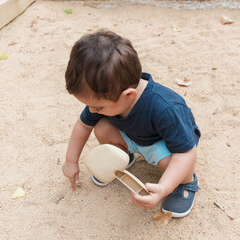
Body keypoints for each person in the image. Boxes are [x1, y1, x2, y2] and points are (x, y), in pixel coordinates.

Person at [62, 29, 201, 217]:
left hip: (164, 145)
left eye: (98, 107)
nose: (92, 110)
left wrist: (163, 189)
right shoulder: (106, 96)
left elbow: (186, 153)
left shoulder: (165, 108)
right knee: (102, 127)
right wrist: (71, 161)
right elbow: (83, 125)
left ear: (128, 95)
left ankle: (187, 183)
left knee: (178, 167)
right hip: (131, 135)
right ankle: (124, 156)